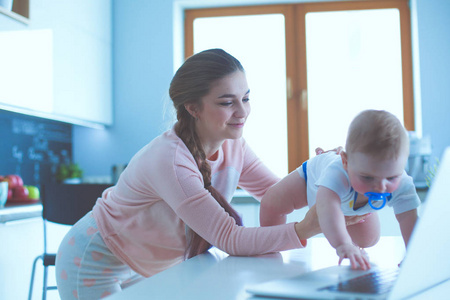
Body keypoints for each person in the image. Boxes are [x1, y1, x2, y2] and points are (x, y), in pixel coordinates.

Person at [55, 49, 366, 299]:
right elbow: (229, 238)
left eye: (245, 98)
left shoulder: (235, 147)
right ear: (193, 107)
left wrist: (322, 173)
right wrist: (304, 229)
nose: (242, 112)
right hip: (96, 262)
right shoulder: (171, 161)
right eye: (227, 102)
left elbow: (278, 195)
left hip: (150, 265)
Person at [260, 109, 420, 270]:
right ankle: (270, 246)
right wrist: (342, 245)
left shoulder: (402, 183)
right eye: (367, 177)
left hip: (349, 203)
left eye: (391, 178)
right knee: (272, 203)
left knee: (368, 240)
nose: (380, 187)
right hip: (312, 179)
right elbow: (327, 209)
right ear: (345, 161)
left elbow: (408, 218)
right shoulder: (336, 174)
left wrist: (414, 253)